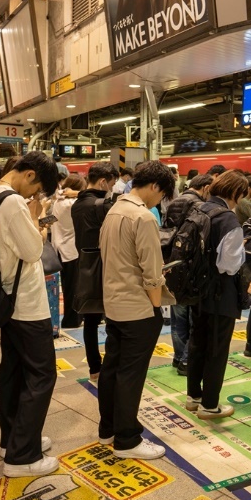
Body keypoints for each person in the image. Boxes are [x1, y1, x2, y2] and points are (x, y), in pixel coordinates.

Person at [0, 151, 60, 477]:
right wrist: (39, 219)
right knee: (42, 375)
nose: (36, 195)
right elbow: (32, 250)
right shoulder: (14, 201)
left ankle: (12, 440)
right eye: (38, 188)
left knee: (13, 373)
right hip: (26, 303)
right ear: (28, 175)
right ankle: (22, 457)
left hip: (9, 299)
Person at [98, 161, 175, 459]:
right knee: (131, 374)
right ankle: (127, 439)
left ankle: (108, 429)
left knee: (112, 368)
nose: (160, 201)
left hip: (114, 303)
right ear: (155, 186)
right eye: (162, 194)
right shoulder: (143, 217)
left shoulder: (114, 210)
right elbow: (152, 271)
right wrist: (156, 307)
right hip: (138, 308)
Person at [186, 171, 247, 420]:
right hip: (221, 293)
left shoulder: (198, 210)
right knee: (217, 348)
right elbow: (228, 266)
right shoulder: (229, 220)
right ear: (235, 193)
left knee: (198, 342)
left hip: (197, 290)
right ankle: (210, 405)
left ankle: (194, 396)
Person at [71, 162, 119, 382]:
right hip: (106, 266)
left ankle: (95, 369)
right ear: (102, 181)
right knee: (114, 319)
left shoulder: (77, 204)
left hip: (85, 266)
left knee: (90, 321)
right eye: (111, 183)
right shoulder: (101, 205)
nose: (111, 188)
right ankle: (111, 366)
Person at [162, 174, 212, 375]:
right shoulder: (199, 206)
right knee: (194, 320)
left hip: (172, 265)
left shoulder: (174, 202)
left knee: (178, 317)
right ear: (206, 187)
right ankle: (186, 361)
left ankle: (178, 357)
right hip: (191, 268)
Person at [52, 173, 86, 329]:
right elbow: (92, 198)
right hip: (70, 249)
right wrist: (77, 194)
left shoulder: (58, 202)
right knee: (73, 287)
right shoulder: (72, 204)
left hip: (59, 248)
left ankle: (72, 318)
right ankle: (71, 320)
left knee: (68, 286)